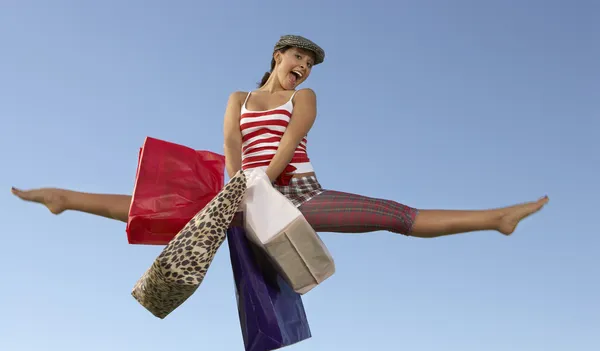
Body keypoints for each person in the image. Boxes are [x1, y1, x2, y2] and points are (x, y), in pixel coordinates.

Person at [11, 34, 548, 238]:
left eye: (311, 64)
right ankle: (62, 199)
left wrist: (260, 185)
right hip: (243, 189)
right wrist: (234, 190)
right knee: (161, 206)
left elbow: (290, 143)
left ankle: (494, 219)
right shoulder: (238, 99)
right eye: (299, 59)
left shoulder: (303, 99)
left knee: (390, 215)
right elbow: (230, 146)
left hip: (294, 195)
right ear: (278, 56)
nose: (305, 68)